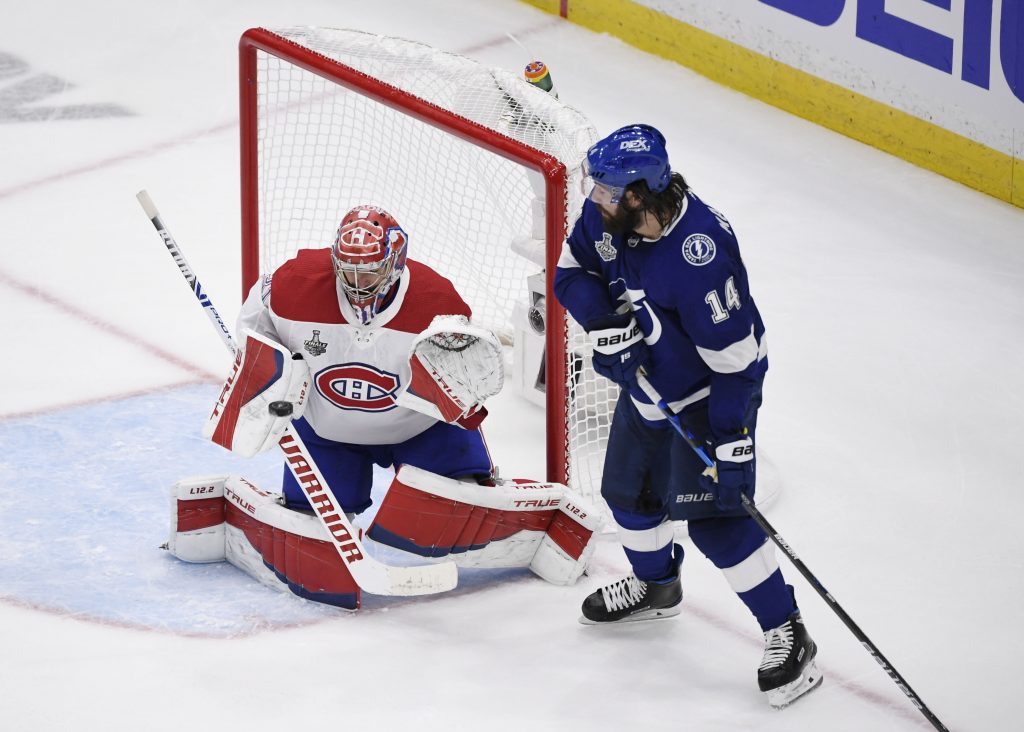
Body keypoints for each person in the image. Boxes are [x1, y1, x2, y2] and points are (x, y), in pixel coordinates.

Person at [553, 124, 822, 708]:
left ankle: (788, 631)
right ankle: (656, 587)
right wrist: (605, 323)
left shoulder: (700, 255)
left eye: (605, 191)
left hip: (708, 394)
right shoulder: (607, 218)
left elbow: (738, 363)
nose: (592, 199)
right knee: (627, 496)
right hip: (649, 386)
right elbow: (570, 274)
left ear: (639, 195)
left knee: (717, 520)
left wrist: (734, 441)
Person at [236, 204, 496, 517]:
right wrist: (266, 364)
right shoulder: (292, 285)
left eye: (371, 270)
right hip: (329, 433)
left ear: (396, 262)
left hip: (417, 430)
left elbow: (463, 387)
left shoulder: (437, 303)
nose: (358, 282)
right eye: (349, 269)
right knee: (311, 522)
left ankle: (466, 487)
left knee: (462, 510)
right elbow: (254, 327)